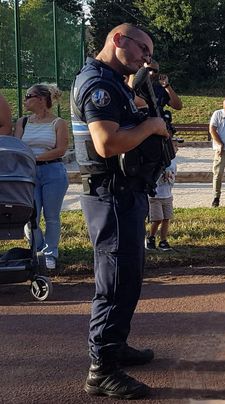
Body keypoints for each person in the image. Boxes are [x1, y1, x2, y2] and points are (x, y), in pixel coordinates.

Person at [71, 23, 170, 399]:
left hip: (124, 193)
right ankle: (102, 369)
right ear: (118, 40)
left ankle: (116, 347)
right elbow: (107, 143)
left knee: (128, 278)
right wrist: (151, 125)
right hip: (110, 194)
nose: (147, 57)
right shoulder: (98, 83)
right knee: (114, 284)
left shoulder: (113, 81)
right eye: (143, 49)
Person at [13, 83, 69, 270]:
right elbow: (17, 146)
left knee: (51, 215)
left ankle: (50, 252)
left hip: (53, 171)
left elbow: (60, 150)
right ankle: (36, 249)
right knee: (31, 215)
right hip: (29, 173)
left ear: (41, 99)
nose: (25, 100)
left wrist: (35, 157)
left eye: (29, 96)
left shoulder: (58, 123)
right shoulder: (23, 122)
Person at [146, 139, 178, 251]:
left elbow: (174, 177)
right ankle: (151, 238)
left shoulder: (173, 162)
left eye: (176, 147)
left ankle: (163, 241)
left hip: (167, 195)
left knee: (166, 218)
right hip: (156, 196)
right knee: (157, 219)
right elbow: (152, 177)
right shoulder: (159, 161)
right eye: (174, 146)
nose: (177, 148)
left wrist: (170, 178)